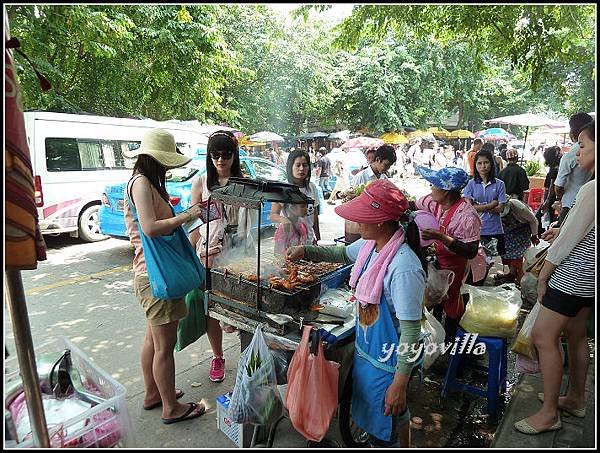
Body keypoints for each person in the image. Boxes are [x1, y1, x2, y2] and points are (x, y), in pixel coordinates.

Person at [286, 179, 427, 447]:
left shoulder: (403, 267)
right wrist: (306, 250)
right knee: (386, 424)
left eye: (364, 216)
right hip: (368, 357)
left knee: (390, 427)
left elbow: (411, 333)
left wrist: (399, 384)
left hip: (391, 366)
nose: (356, 222)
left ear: (382, 221)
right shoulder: (370, 247)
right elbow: (340, 253)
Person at [514, 121, 595, 435]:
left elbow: (564, 245)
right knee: (577, 335)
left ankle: (548, 413)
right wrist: (565, 228)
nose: (578, 152)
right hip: (590, 281)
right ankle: (575, 398)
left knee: (543, 336)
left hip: (572, 277)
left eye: (584, 145)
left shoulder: (591, 189)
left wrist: (545, 274)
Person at [124, 128, 206, 423]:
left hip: (148, 273)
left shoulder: (143, 181)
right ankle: (171, 408)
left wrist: (186, 214)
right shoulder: (143, 184)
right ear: (155, 160)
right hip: (155, 275)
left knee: (152, 340)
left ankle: (153, 394)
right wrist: (186, 215)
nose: (169, 168)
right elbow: (150, 228)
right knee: (164, 348)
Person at [189, 130, 245, 383]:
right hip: (209, 253)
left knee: (241, 306)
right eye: (215, 155)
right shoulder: (201, 183)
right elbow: (193, 222)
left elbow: (248, 223)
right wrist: (191, 256)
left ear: (234, 156)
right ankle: (218, 356)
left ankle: (248, 356)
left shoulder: (243, 184)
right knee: (212, 307)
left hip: (237, 252)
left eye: (226, 155)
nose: (220, 160)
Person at [414, 166, 481, 341]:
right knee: (437, 299)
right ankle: (437, 338)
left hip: (457, 266)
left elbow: (471, 251)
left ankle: (452, 344)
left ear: (445, 191)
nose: (431, 188)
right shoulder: (435, 202)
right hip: (440, 261)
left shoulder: (467, 215)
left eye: (434, 185)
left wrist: (442, 237)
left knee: (452, 303)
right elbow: (413, 204)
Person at [463, 149, 507, 262]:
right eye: (479, 163)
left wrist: (478, 206)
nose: (483, 166)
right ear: (475, 165)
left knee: (495, 262)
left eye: (486, 162)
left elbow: (501, 208)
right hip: (476, 231)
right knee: (478, 263)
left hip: (495, 229)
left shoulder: (500, 184)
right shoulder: (470, 184)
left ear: (491, 164)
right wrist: (491, 204)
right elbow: (468, 208)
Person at [270, 149, 321, 244]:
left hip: (308, 241)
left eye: (305, 165)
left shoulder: (312, 187)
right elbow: (273, 215)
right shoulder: (283, 189)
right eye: (298, 165)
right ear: (290, 167)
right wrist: (284, 220)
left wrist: (318, 238)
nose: (301, 169)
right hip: (289, 243)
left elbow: (315, 215)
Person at [552, 112, 593, 226]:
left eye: (582, 146)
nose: (579, 153)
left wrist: (559, 197)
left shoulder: (570, 155)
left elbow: (558, 185)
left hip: (570, 204)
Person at [492, 197, 540, 285]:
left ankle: (519, 279)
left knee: (518, 255)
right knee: (506, 252)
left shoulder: (519, 208)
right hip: (508, 231)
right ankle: (512, 274)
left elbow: (533, 220)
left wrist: (534, 235)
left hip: (522, 229)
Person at [535, 145, 562, 234]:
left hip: (550, 195)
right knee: (547, 215)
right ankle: (545, 232)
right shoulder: (556, 167)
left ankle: (542, 233)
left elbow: (552, 185)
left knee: (541, 215)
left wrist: (547, 200)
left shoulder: (554, 169)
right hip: (552, 195)